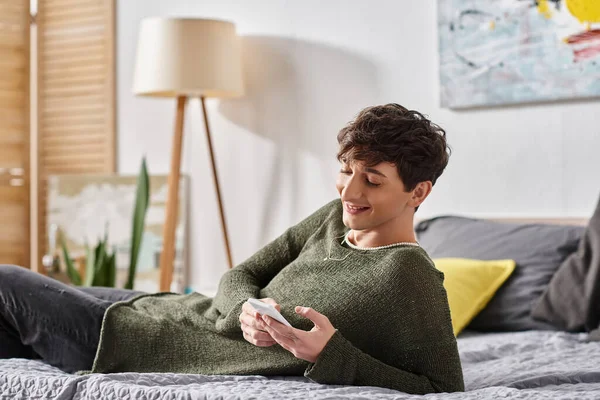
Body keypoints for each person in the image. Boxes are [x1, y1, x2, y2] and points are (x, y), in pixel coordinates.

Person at [0, 104, 464, 394]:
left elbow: (441, 386)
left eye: (372, 180)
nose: (349, 191)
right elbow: (239, 273)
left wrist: (329, 354)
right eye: (346, 170)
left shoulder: (407, 274)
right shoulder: (332, 217)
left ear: (418, 193)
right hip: (169, 309)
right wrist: (243, 308)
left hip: (140, 343)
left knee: (6, 281)